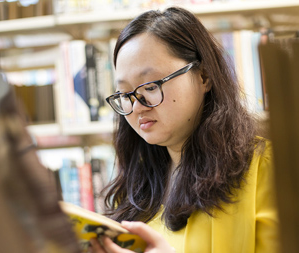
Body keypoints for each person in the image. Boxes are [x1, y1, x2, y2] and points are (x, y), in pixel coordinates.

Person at [91, 6, 279, 253]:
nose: (136, 107)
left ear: (204, 76)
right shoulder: (134, 186)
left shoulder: (265, 166)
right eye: (126, 94)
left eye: (149, 86)